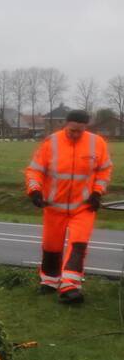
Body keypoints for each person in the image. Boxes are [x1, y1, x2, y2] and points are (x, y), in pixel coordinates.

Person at [24, 110, 113, 304]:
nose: (75, 134)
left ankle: (70, 287)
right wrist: (35, 191)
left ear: (85, 128)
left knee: (78, 245)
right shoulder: (51, 142)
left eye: (80, 131)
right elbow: (34, 171)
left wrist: (97, 192)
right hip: (54, 207)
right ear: (66, 125)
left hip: (83, 207)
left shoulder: (97, 143)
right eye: (72, 130)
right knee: (51, 247)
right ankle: (49, 282)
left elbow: (104, 170)